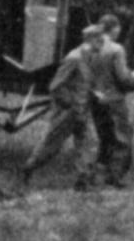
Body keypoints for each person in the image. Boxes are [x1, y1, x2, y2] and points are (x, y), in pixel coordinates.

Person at [18, 24, 107, 191]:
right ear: (89, 40)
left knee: (89, 144)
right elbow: (55, 86)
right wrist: (70, 103)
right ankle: (28, 169)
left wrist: (95, 94)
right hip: (67, 113)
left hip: (82, 111)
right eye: (98, 39)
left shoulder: (90, 57)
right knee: (50, 147)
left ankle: (83, 181)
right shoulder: (74, 58)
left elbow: (83, 83)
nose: (102, 42)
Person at [89, 13, 134, 188]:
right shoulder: (116, 49)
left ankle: (96, 174)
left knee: (104, 138)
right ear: (114, 29)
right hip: (114, 100)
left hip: (96, 99)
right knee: (122, 138)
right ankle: (115, 177)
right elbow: (123, 78)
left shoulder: (90, 48)